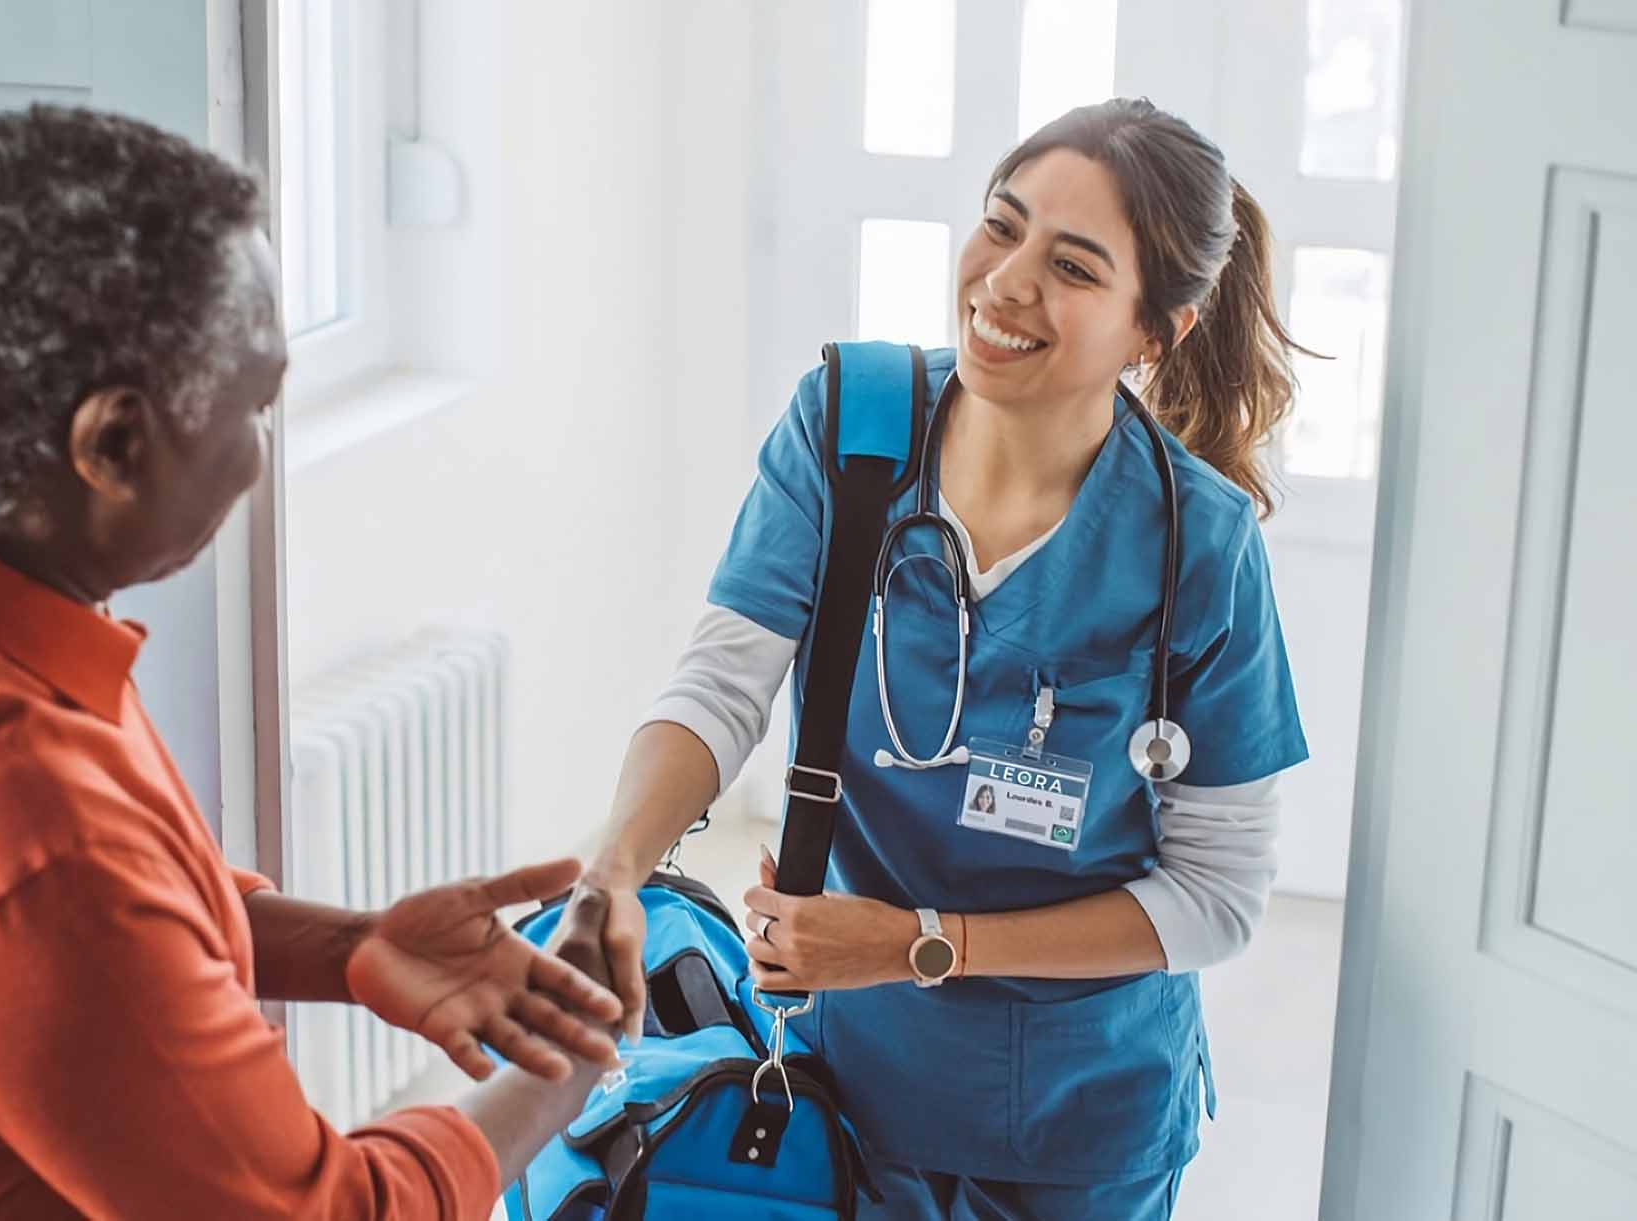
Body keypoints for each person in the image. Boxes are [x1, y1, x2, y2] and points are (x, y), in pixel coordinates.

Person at [0, 103, 622, 1219]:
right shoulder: (25, 850)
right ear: (110, 443)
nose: (260, 452)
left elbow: (50, 957)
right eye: (255, 404)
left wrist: (352, 947)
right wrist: (575, 1050)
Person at [555, 99, 1309, 1220]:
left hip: (1082, 1112)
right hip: (848, 1078)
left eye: (1072, 266)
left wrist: (920, 945)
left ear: (1157, 331)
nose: (1005, 284)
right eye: (1000, 227)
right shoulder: (851, 428)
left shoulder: (1200, 543)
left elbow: (1218, 896)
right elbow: (719, 687)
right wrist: (609, 874)